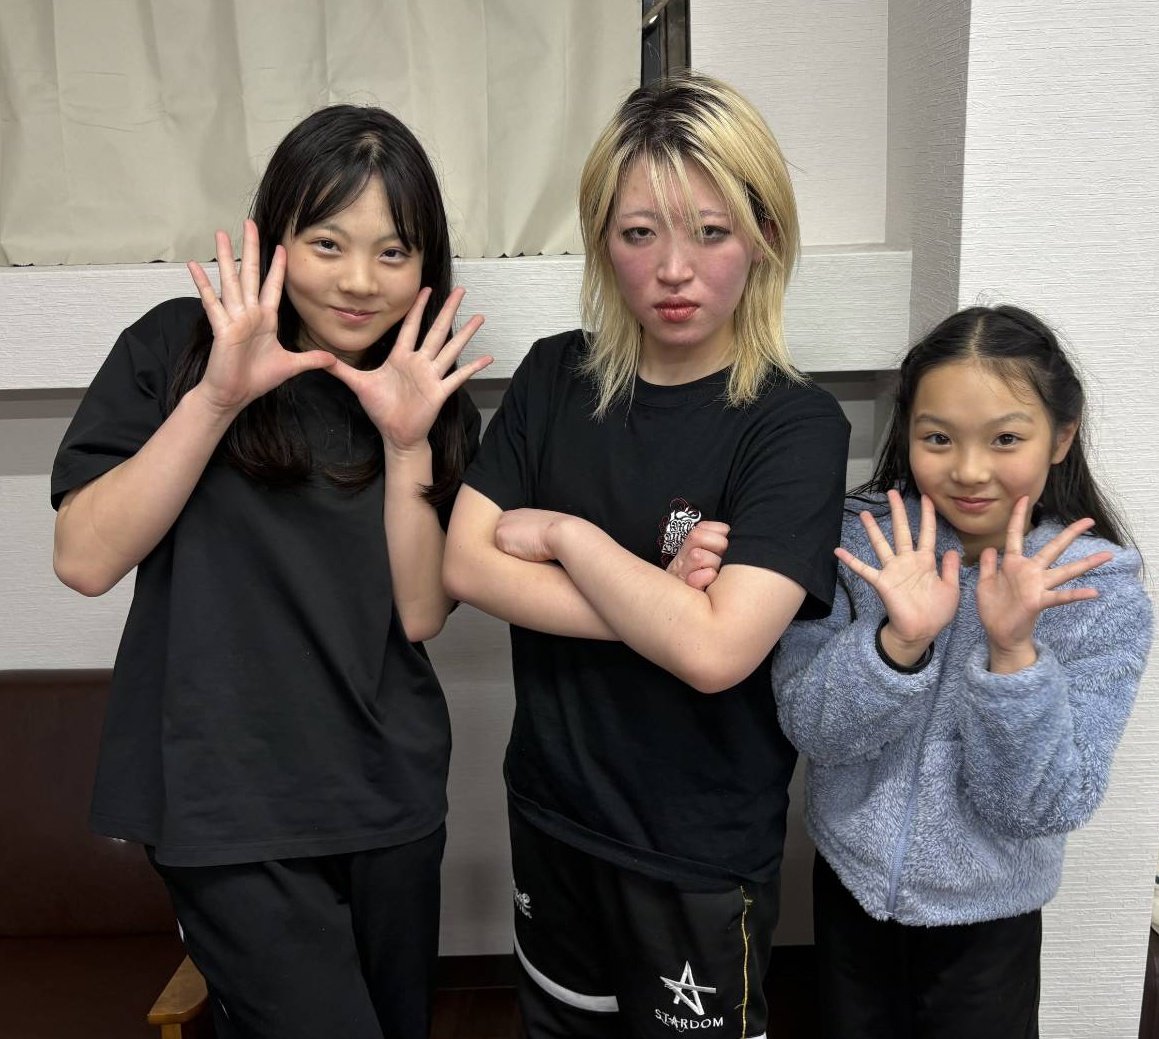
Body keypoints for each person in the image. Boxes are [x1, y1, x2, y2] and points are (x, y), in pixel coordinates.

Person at [50, 105, 494, 1039]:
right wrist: (217, 396)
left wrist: (407, 442)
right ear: (275, 236)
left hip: (387, 797)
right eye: (328, 243)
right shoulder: (178, 346)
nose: (360, 281)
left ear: (427, 265)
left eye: (393, 252)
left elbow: (420, 613)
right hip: (223, 803)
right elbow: (84, 558)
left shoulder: (430, 390)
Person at [444, 72, 851, 1037]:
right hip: (551, 814)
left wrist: (568, 539)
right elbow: (463, 565)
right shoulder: (555, 375)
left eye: (710, 232)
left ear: (763, 237)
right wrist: (660, 603)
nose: (674, 269)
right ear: (602, 243)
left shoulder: (795, 425)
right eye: (639, 233)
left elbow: (715, 654)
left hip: (697, 851)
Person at [772, 305, 1153, 1038]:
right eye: (937, 437)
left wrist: (1013, 655)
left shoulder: (1096, 592)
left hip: (990, 919)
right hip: (849, 887)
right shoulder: (860, 544)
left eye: (1005, 438)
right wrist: (899, 642)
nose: (969, 470)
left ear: (1061, 437)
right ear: (906, 431)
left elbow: (1040, 808)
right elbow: (811, 729)